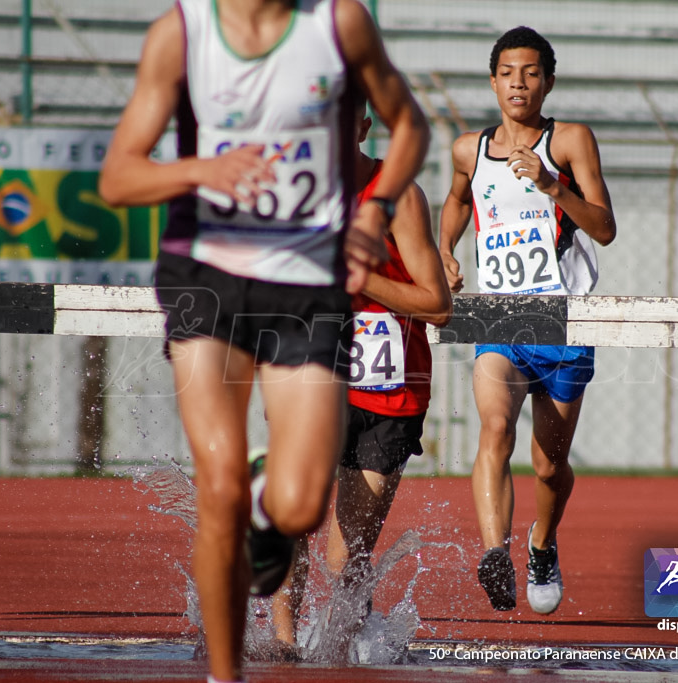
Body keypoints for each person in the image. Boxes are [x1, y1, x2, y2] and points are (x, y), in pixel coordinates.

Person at [97, 1, 429, 681]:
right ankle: (227, 674)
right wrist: (198, 172)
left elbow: (410, 128)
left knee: (301, 505)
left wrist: (376, 207)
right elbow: (119, 177)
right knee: (217, 488)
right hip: (207, 277)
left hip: (304, 284)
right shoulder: (180, 35)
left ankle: (262, 488)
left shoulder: (337, 25)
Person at [438, 26, 616, 615]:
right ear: (493, 82)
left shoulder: (570, 141)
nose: (519, 82)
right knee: (494, 428)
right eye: (508, 73)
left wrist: (550, 184)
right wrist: (446, 249)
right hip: (502, 321)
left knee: (549, 465)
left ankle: (542, 541)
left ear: (549, 82)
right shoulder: (470, 147)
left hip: (564, 324)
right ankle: (496, 552)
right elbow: (460, 197)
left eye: (531, 72)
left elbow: (604, 229)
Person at [270, 97, 452, 654]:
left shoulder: (398, 198)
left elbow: (436, 305)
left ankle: (339, 649)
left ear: (363, 128)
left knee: (348, 549)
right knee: (295, 516)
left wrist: (359, 275)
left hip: (389, 387)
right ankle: (282, 644)